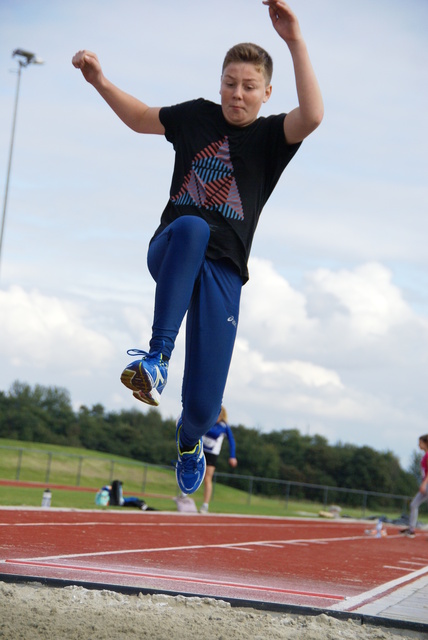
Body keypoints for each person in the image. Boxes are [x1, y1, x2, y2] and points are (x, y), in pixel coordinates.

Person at [72, 0, 323, 496]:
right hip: (173, 251)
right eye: (230, 82)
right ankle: (156, 358)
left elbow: (312, 115)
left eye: (249, 86)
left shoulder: (272, 137)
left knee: (206, 405)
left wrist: (294, 39)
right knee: (192, 227)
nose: (238, 93)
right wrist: (100, 81)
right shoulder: (194, 119)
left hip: (225, 273)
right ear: (220, 84)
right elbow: (141, 117)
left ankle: (187, 441)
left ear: (266, 92)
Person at [200, 406, 237, 514]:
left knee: (207, 478)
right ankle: (184, 495)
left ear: (222, 416)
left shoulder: (224, 426)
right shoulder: (207, 420)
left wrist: (232, 456)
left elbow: (232, 441)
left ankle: (205, 505)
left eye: (218, 415)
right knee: (192, 471)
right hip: (200, 450)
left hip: (212, 454)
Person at [401, 434, 428, 538]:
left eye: (420, 442)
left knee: (414, 504)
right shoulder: (425, 455)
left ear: (426, 443)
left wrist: (424, 484)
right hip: (425, 484)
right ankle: (411, 529)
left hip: (427, 484)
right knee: (413, 504)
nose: (418, 445)